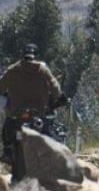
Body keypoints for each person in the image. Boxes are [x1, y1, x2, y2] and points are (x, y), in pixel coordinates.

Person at [0, 44, 66, 176]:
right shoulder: (42, 69)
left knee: (7, 131)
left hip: (16, 113)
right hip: (38, 114)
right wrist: (59, 97)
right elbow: (55, 88)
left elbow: (1, 87)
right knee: (48, 136)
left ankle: (7, 153)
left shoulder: (12, 70)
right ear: (36, 56)